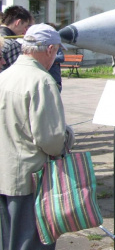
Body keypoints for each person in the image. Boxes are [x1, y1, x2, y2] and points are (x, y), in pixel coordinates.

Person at [0, 23, 74, 250]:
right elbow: (51, 141)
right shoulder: (42, 81)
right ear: (50, 49)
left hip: (4, 175)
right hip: (30, 181)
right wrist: (68, 136)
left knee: (7, 242)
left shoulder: (5, 75)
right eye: (57, 51)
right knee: (31, 243)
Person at [1, 5, 34, 70]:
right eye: (25, 26)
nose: (25, 30)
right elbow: (17, 71)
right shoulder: (11, 44)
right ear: (18, 22)